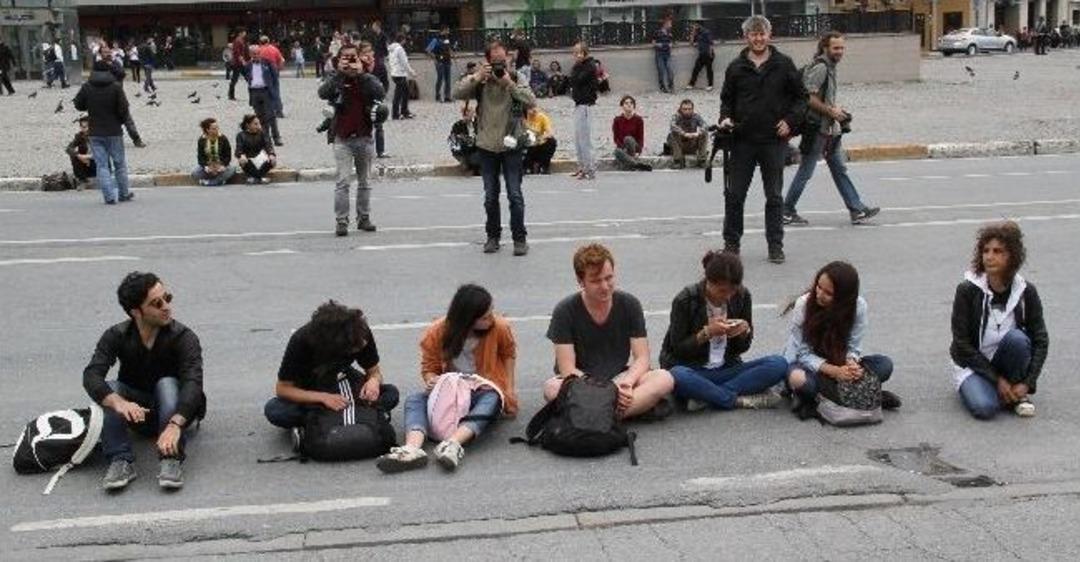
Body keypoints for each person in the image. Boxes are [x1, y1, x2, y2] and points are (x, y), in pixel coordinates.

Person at [83, 272, 206, 490]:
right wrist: (119, 403)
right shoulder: (117, 335)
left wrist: (176, 423)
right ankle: (120, 460)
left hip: (178, 411)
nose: (166, 307)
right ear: (136, 312)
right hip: (137, 413)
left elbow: (193, 383)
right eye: (156, 303)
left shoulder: (183, 337)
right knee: (111, 389)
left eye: (167, 298)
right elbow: (92, 375)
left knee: (167, 383)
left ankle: (171, 458)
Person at [376, 284, 518, 473]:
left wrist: (508, 389)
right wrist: (432, 380)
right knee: (415, 399)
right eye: (485, 316)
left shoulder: (499, 327)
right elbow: (429, 368)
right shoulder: (436, 332)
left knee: (492, 397)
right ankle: (412, 448)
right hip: (451, 391)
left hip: (482, 389)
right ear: (468, 319)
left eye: (491, 311)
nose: (492, 318)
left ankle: (453, 444)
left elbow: (509, 354)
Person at [544, 244, 676, 420]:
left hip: (620, 377)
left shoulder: (629, 304)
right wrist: (606, 391)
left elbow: (642, 358)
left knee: (664, 378)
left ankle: (598, 416)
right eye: (596, 281)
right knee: (551, 388)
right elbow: (567, 369)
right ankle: (621, 412)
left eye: (609, 278)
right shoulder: (564, 310)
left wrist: (627, 383)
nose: (605, 286)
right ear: (580, 281)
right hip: (582, 381)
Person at [718, 15, 807, 264]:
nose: (758, 38)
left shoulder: (784, 64)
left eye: (762, 34)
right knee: (735, 195)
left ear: (769, 35)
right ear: (746, 37)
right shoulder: (736, 67)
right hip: (742, 141)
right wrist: (725, 118)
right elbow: (727, 100)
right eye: (753, 34)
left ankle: (775, 245)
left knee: (774, 197)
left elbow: (801, 99)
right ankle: (731, 244)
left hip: (772, 142)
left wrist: (790, 121)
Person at [661, 251, 788, 411]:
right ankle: (737, 400)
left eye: (733, 290)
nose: (728, 296)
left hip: (727, 369)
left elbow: (741, 349)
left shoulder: (742, 296)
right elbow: (677, 350)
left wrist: (743, 332)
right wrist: (706, 333)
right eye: (722, 291)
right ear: (708, 281)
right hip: (694, 370)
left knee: (778, 363)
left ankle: (708, 396)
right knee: (677, 375)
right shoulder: (686, 299)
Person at [951, 222, 1048, 420]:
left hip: (1007, 360)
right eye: (985, 250)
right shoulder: (967, 290)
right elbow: (961, 345)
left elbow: (1040, 340)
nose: (989, 256)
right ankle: (1006, 393)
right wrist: (998, 381)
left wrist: (1028, 382)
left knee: (1018, 339)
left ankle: (1016, 391)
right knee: (985, 408)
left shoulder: (1026, 291)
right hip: (973, 365)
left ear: (1011, 256)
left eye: (997, 251)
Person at [783, 32, 880, 227]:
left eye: (842, 48)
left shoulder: (830, 67)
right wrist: (831, 111)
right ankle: (786, 210)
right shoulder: (821, 67)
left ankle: (857, 209)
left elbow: (821, 97)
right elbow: (808, 98)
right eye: (836, 48)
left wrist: (836, 111)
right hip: (817, 128)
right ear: (825, 48)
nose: (840, 51)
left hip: (828, 129)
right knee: (806, 171)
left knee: (839, 169)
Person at [264, 301, 399, 440]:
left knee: (391, 394)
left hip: (343, 381)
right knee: (276, 411)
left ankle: (330, 417)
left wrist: (374, 381)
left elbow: (374, 371)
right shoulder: (301, 341)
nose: (362, 346)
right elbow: (283, 389)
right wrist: (323, 398)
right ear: (335, 346)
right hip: (311, 389)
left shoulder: (360, 333)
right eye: (354, 348)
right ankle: (337, 416)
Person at [452, 39, 536, 256]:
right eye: (495, 61)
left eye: (503, 60)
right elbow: (457, 93)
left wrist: (509, 83)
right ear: (487, 61)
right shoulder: (481, 81)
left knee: (515, 194)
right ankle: (493, 236)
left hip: (512, 143)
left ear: (508, 58)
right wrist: (478, 76)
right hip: (487, 145)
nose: (500, 65)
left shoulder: (517, 77)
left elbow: (531, 100)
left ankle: (520, 238)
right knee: (490, 196)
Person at [784, 261, 901, 417]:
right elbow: (801, 353)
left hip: (839, 363)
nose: (819, 294)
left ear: (843, 297)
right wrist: (834, 371)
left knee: (884, 365)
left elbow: (853, 346)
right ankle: (864, 396)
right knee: (797, 379)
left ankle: (829, 398)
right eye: (818, 287)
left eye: (828, 293)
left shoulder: (858, 306)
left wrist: (852, 364)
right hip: (810, 366)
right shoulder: (804, 305)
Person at [318, 42, 387, 236]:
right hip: (342, 138)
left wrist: (361, 72)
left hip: (364, 136)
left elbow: (381, 92)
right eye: (345, 57)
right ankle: (341, 221)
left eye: (352, 57)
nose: (349, 61)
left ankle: (363, 218)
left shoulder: (366, 79)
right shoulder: (336, 78)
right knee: (343, 182)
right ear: (339, 59)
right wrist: (340, 73)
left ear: (359, 58)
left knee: (365, 182)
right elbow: (322, 93)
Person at [74, 57, 133, 205]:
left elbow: (78, 105)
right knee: (119, 164)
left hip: (95, 132)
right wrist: (119, 121)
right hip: (114, 131)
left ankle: (109, 196)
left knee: (102, 165)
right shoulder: (116, 87)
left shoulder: (87, 86)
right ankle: (124, 193)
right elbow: (124, 109)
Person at [569, 42, 599, 180]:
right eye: (574, 53)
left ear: (585, 53)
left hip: (586, 105)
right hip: (578, 104)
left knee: (585, 139)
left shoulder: (589, 66)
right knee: (577, 139)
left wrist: (574, 72)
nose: (576, 55)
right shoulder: (578, 66)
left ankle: (590, 168)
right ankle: (581, 167)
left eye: (578, 52)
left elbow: (577, 79)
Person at [243, 46, 282, 146]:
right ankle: (266, 138)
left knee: (271, 116)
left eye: (257, 53)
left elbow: (275, 77)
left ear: (260, 53)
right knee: (260, 117)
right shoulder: (248, 65)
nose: (256, 56)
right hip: (254, 92)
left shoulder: (267, 63)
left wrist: (275, 93)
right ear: (250, 55)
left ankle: (276, 138)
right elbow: (246, 76)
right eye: (253, 54)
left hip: (266, 91)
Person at [192, 118, 236, 186]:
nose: (217, 130)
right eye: (214, 128)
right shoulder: (202, 140)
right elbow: (200, 158)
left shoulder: (223, 138)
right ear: (208, 130)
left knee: (232, 169)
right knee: (195, 172)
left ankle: (210, 182)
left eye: (217, 128)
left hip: (220, 165)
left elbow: (228, 156)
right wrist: (206, 167)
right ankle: (218, 180)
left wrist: (222, 166)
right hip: (209, 165)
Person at [612, 95, 652, 171]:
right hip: (623, 147)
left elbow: (641, 137)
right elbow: (616, 138)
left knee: (628, 138)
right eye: (626, 103)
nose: (629, 105)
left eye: (631, 103)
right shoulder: (617, 120)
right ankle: (636, 164)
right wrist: (623, 148)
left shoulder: (638, 119)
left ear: (634, 106)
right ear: (622, 106)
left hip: (634, 146)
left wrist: (639, 151)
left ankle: (630, 163)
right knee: (617, 151)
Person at [234, 113, 276, 184]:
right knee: (242, 161)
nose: (258, 126)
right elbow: (239, 149)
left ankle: (254, 178)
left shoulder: (262, 133)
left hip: (260, 158)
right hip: (248, 160)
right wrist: (241, 155)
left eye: (259, 124)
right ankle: (260, 178)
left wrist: (271, 154)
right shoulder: (241, 135)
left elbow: (268, 145)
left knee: (273, 160)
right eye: (255, 124)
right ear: (248, 125)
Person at [668, 99, 709, 169]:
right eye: (685, 109)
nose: (687, 111)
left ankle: (702, 160)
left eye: (689, 109)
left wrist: (698, 133)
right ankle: (678, 161)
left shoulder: (696, 116)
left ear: (693, 109)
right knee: (672, 134)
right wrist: (684, 133)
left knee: (704, 133)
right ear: (681, 109)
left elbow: (705, 125)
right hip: (680, 144)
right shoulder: (676, 116)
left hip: (692, 142)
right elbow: (672, 125)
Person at [387, 33, 417, 120]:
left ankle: (404, 111)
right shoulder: (399, 49)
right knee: (399, 95)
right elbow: (404, 63)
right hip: (400, 74)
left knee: (404, 92)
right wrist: (412, 72)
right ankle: (396, 114)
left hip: (394, 73)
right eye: (404, 40)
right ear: (402, 40)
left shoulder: (391, 49)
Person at [523, 103, 557, 174]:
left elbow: (550, 133)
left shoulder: (542, 117)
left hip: (538, 143)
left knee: (551, 141)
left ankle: (544, 166)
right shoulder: (522, 118)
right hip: (527, 145)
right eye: (530, 109)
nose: (534, 110)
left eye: (534, 107)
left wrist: (540, 138)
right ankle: (527, 166)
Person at [258, 36, 286, 118]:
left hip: (265, 70)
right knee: (276, 90)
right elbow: (281, 60)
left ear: (260, 42)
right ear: (268, 41)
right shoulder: (274, 49)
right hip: (274, 68)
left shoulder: (260, 50)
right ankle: (279, 110)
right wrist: (279, 69)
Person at [449, 102, 480, 175]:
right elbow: (453, 142)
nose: (465, 114)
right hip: (464, 152)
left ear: (473, 112)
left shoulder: (479, 123)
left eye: (468, 111)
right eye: (463, 111)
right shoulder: (457, 125)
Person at [66, 115, 97, 185]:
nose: (84, 130)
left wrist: (86, 157)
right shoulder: (79, 136)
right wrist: (78, 155)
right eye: (82, 127)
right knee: (74, 156)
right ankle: (82, 180)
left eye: (86, 127)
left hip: (96, 164)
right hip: (85, 163)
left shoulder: (97, 136)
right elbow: (68, 148)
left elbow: (102, 153)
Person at [426, 26, 453, 102]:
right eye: (447, 31)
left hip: (447, 61)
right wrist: (435, 59)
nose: (448, 32)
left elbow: (448, 49)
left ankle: (447, 96)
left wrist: (451, 53)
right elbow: (428, 50)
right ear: (443, 30)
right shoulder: (435, 40)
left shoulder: (447, 39)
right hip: (439, 62)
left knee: (448, 80)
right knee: (440, 79)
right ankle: (438, 95)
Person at [687, 23, 715, 91]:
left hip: (708, 53)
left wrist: (710, 53)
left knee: (709, 70)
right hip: (702, 54)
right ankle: (691, 84)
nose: (693, 29)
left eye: (694, 27)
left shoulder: (706, 32)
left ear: (698, 26)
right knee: (696, 69)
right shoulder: (697, 34)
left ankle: (710, 85)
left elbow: (711, 43)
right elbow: (691, 43)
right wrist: (692, 34)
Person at [654, 17, 675, 93]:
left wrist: (670, 45)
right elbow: (653, 42)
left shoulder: (670, 33)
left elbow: (672, 42)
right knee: (661, 71)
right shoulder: (657, 32)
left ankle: (671, 86)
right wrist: (658, 45)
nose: (671, 25)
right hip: (659, 54)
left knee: (670, 70)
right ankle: (663, 87)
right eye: (670, 23)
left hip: (667, 54)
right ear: (665, 24)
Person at [228, 29, 248, 101]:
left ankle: (231, 95)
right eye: (244, 32)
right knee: (235, 79)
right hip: (237, 63)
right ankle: (231, 95)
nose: (245, 33)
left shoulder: (240, 40)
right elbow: (237, 52)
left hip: (239, 63)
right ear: (240, 33)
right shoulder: (238, 41)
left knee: (247, 77)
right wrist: (242, 60)